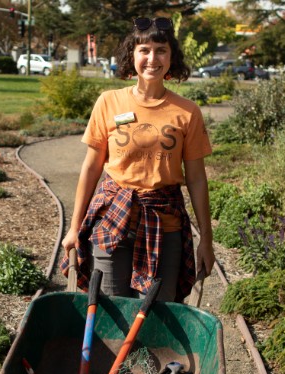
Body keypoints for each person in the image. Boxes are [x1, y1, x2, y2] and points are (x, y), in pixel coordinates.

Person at [60, 16, 214, 302]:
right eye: (144, 50)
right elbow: (91, 168)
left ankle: (149, 351)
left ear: (172, 57)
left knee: (158, 316)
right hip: (112, 223)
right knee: (110, 310)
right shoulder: (109, 102)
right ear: (132, 55)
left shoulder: (187, 112)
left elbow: (196, 179)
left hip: (164, 227)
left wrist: (206, 239)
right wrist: (73, 227)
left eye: (161, 50)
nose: (152, 58)